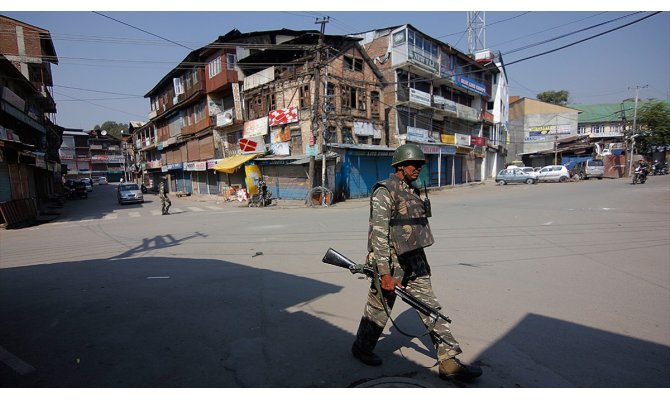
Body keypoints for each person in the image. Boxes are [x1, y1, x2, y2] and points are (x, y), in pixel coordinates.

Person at [351, 143, 482, 382]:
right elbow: (379, 236)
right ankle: (361, 348)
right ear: (400, 166)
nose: (419, 168)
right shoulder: (384, 191)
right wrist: (384, 273)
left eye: (421, 165)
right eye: (415, 164)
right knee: (379, 311)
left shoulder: (413, 191)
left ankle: (448, 361)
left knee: (431, 309)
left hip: (415, 262)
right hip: (390, 265)